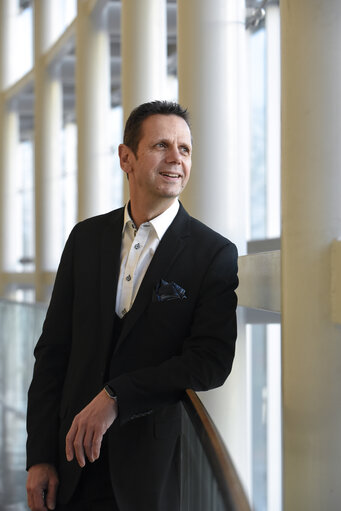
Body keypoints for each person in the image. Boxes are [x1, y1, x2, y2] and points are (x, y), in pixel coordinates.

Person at [26, 100, 238, 511]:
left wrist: (116, 396)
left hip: (149, 473)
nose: (176, 158)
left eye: (185, 149)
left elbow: (210, 360)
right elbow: (52, 353)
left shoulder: (213, 253)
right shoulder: (85, 239)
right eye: (161, 145)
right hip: (70, 465)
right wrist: (39, 456)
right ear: (127, 158)